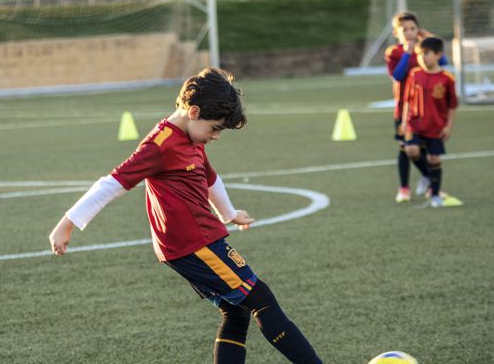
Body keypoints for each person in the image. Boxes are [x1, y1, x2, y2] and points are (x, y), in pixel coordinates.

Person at [48, 68, 321, 364]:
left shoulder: (192, 139)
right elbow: (114, 182)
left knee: (236, 310)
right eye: (215, 128)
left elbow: (210, 177)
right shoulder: (161, 144)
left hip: (196, 242)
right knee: (261, 299)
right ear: (193, 112)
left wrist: (229, 213)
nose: (215, 136)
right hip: (194, 244)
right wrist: (67, 223)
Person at [384, 12, 447, 203]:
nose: (410, 33)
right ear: (396, 33)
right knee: (405, 147)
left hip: (426, 109)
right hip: (404, 109)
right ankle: (405, 187)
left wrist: (430, 40)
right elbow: (398, 75)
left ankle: (431, 185)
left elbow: (442, 62)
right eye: (405, 30)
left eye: (413, 29)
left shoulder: (425, 50)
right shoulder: (394, 52)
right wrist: (407, 53)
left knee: (426, 149)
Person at [400, 38, 458, 208]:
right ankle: (426, 176)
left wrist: (449, 126)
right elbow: (408, 100)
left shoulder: (447, 79)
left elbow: (452, 105)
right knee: (411, 150)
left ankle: (435, 195)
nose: (421, 58)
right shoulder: (415, 74)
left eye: (426, 54)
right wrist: (404, 122)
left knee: (434, 159)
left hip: (436, 126)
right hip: (414, 123)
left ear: (438, 55)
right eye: (419, 54)